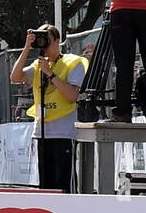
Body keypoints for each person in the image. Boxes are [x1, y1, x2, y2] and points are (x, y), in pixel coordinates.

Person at [10, 24, 88, 193]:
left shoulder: (72, 63)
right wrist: (27, 48)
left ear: (57, 41)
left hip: (63, 133)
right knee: (46, 186)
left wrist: (51, 74)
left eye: (47, 39)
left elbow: (72, 95)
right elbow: (15, 77)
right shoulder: (38, 65)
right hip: (42, 132)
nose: (43, 44)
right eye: (40, 40)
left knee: (64, 184)